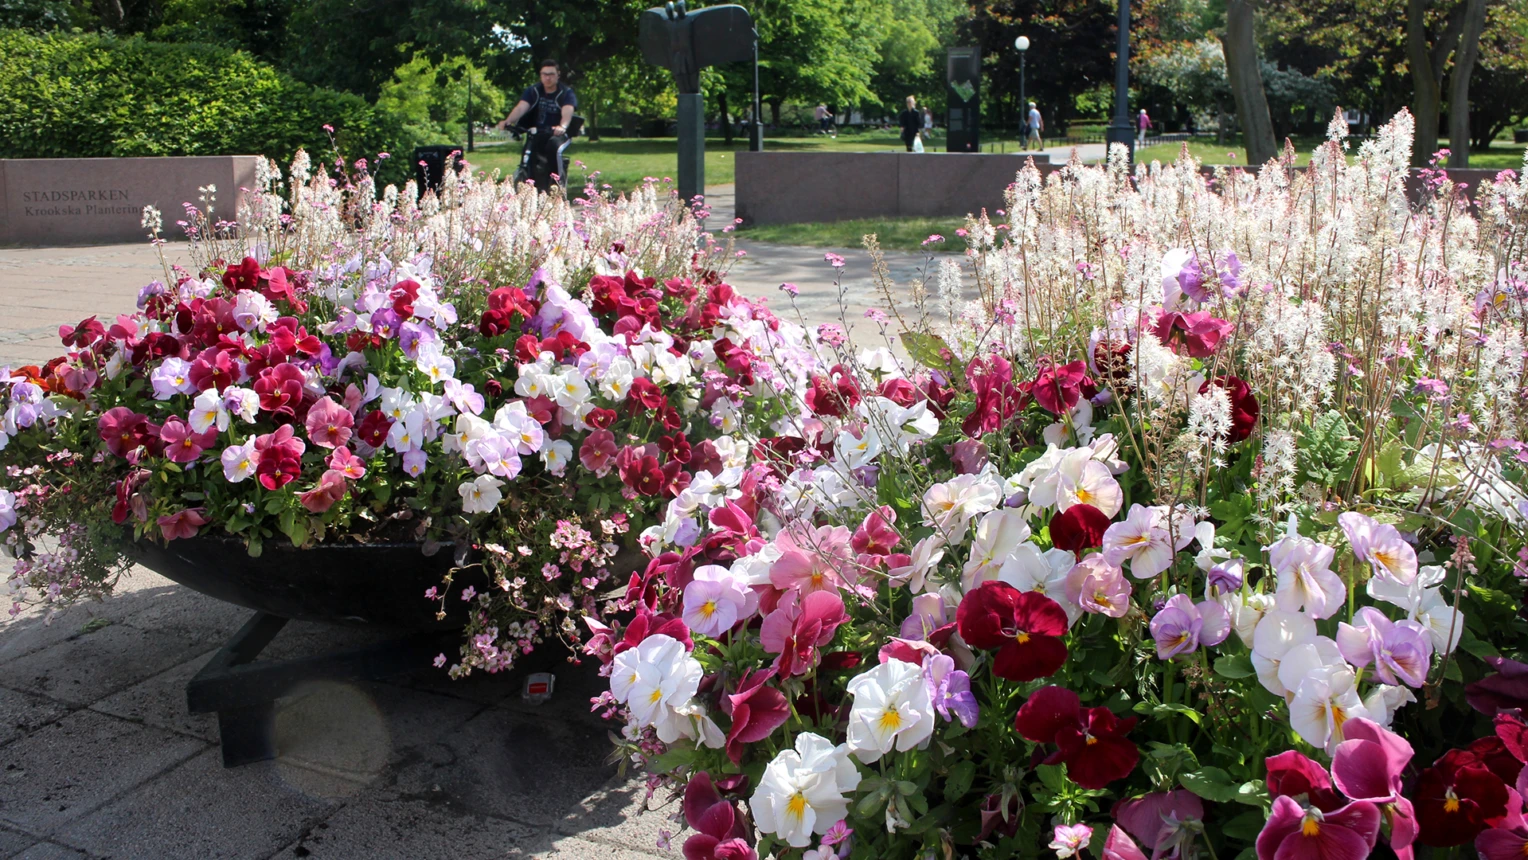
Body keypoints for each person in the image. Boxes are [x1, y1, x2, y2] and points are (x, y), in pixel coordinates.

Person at [498, 59, 577, 190]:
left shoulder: (566, 93)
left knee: (554, 147)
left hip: (558, 134)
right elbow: (521, 107)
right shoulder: (533, 91)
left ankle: (557, 183)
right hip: (538, 131)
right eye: (544, 74)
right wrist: (508, 120)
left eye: (551, 74)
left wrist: (562, 126)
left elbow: (567, 111)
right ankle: (531, 182)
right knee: (530, 151)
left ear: (558, 74)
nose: (548, 77)